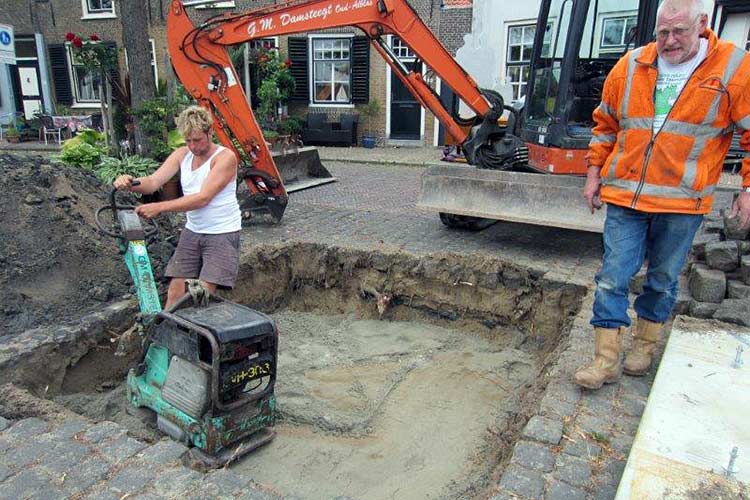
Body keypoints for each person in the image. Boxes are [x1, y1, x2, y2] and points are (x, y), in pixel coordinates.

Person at [574, 0, 750, 390]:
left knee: (663, 279)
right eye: (662, 33)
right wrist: (592, 174)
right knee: (611, 278)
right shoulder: (631, 65)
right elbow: (605, 125)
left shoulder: (733, 68)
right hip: (626, 196)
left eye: (679, 32)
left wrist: (747, 191)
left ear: (701, 25)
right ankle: (604, 359)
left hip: (682, 200)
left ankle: (645, 345)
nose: (668, 42)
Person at [114, 105, 241, 309]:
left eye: (197, 140)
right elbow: (154, 182)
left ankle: (199, 338)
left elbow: (202, 198)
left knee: (201, 293)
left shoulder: (225, 158)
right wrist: (131, 183)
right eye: (188, 140)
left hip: (222, 232)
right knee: (175, 289)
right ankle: (165, 334)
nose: (192, 146)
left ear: (210, 133)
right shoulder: (182, 154)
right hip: (193, 231)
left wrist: (160, 207)